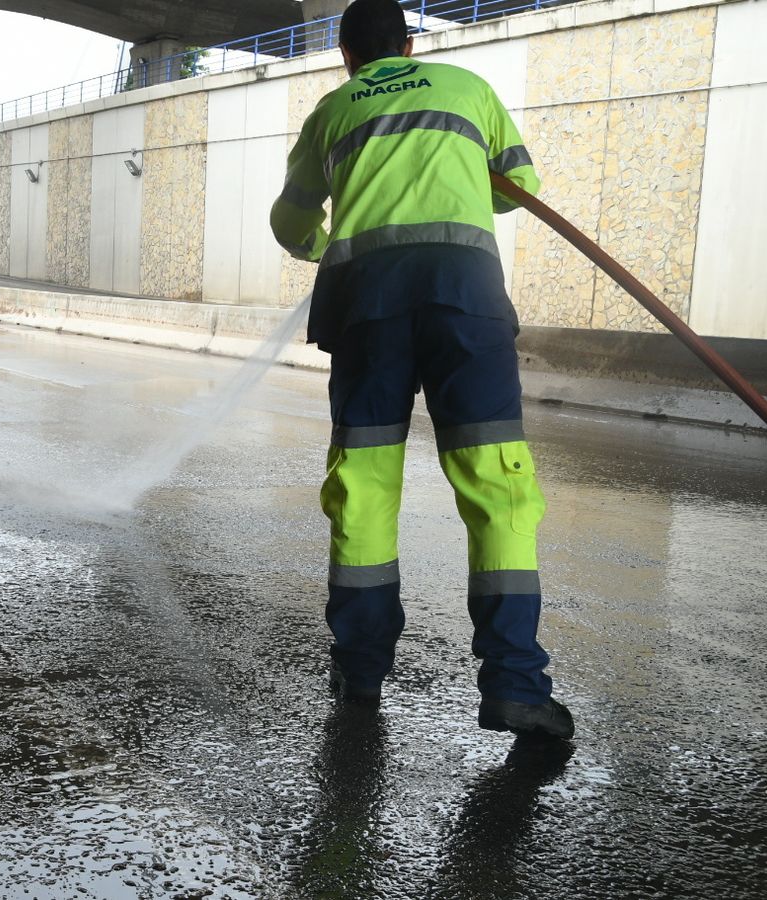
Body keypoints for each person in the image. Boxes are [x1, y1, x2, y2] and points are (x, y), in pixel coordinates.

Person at [271, 0, 572, 740]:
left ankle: (362, 673)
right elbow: (517, 187)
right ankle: (515, 686)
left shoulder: (332, 110)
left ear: (346, 55)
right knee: (497, 486)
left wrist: (323, 246)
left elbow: (291, 222)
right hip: (465, 304)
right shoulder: (466, 88)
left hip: (366, 309)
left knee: (366, 488)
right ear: (409, 45)